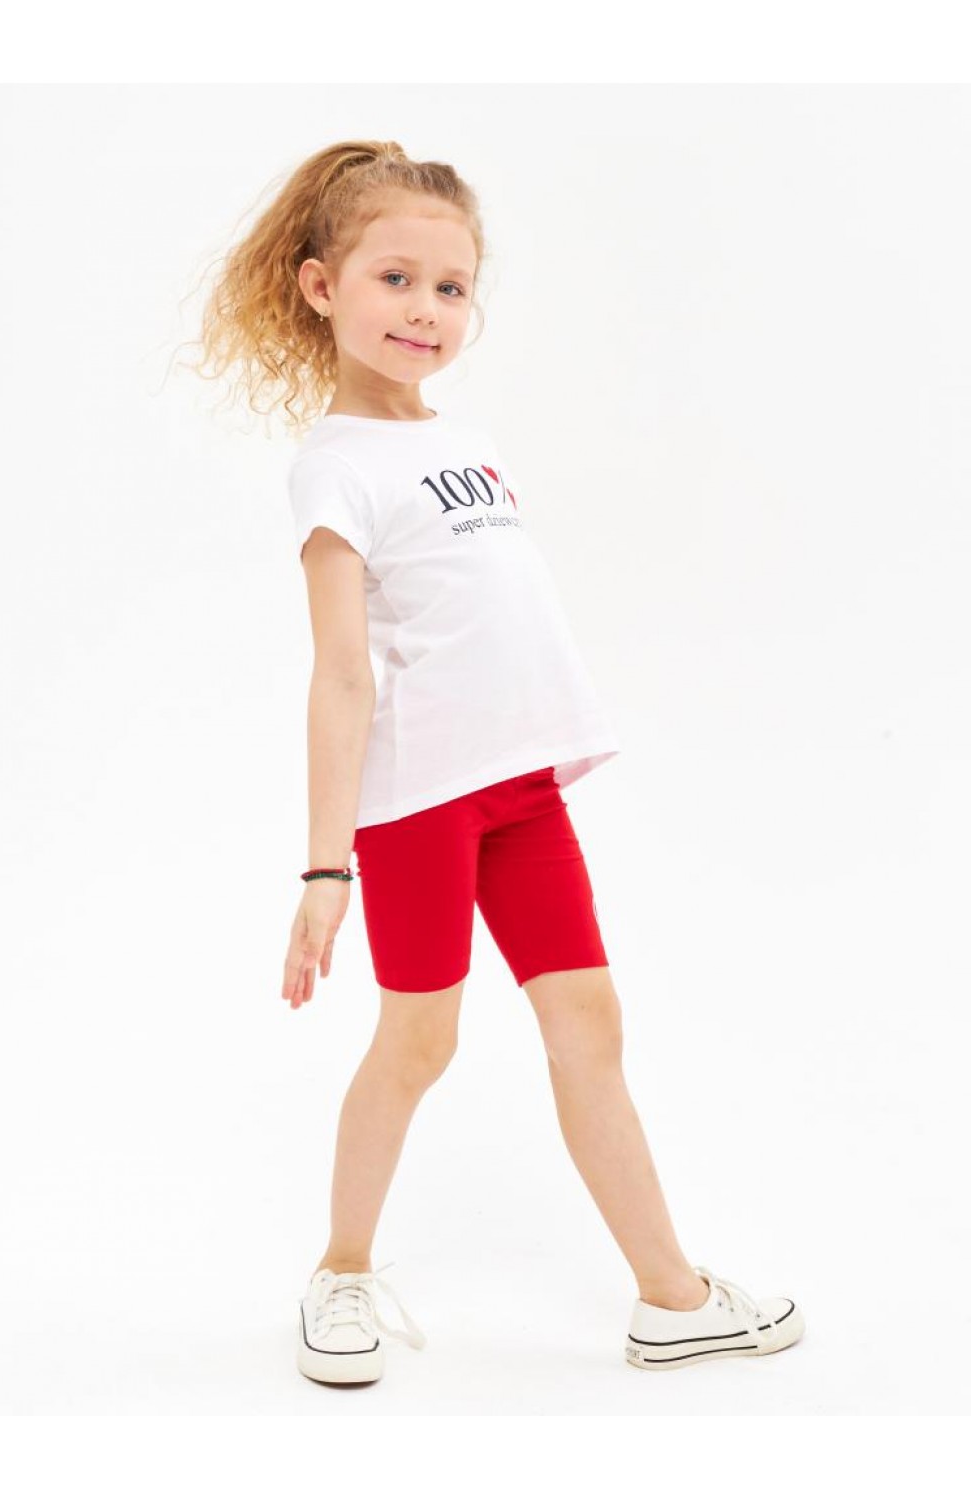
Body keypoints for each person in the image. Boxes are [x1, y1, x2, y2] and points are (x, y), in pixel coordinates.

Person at [193, 138, 804, 1385]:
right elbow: (341, 676)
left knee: (590, 1024)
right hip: (419, 807)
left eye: (451, 287)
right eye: (395, 279)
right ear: (321, 287)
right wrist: (325, 870)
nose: (425, 308)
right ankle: (341, 1273)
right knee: (420, 1041)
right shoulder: (335, 467)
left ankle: (673, 1297)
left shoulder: (467, 446)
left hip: (520, 797)